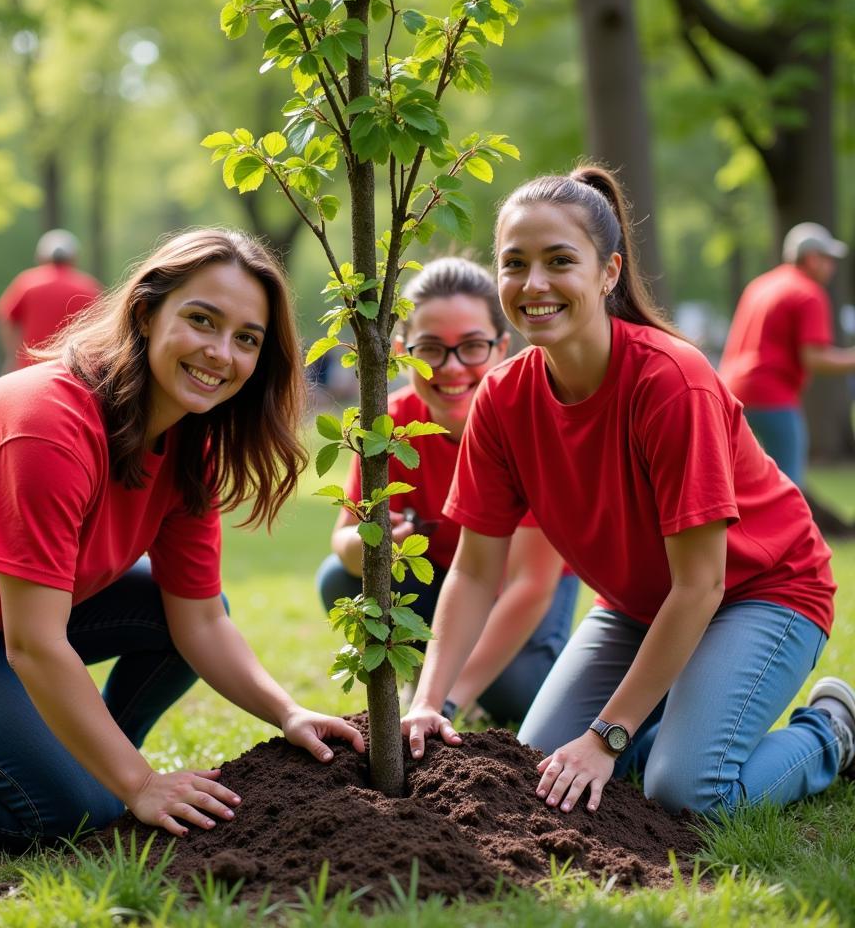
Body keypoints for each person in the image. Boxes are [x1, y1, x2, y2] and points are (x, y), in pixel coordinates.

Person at [0, 229, 363, 843]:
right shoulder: (47, 426)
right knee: (71, 814)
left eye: (247, 338)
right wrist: (136, 783)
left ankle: (90, 764)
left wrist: (288, 710)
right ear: (144, 312)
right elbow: (33, 643)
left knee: (177, 637)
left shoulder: (194, 442)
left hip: (5, 625)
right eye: (201, 320)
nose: (222, 352)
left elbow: (200, 623)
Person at [402, 166, 855, 819]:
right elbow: (475, 573)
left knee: (687, 793)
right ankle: (664, 728)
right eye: (514, 263)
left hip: (763, 591)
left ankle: (829, 733)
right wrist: (430, 701)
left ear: (608, 271)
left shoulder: (671, 381)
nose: (533, 284)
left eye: (560, 260)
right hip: (638, 606)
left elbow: (701, 585)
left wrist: (606, 735)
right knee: (539, 767)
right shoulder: (501, 399)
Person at [316, 257, 580, 725]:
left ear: (502, 347)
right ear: (401, 349)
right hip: (444, 582)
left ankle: (454, 683)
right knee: (339, 581)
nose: (452, 368)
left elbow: (529, 585)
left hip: (518, 594)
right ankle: (424, 671)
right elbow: (343, 544)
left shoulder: (531, 424)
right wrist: (375, 541)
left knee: (514, 694)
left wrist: (444, 701)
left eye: (473, 347)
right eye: (432, 349)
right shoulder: (390, 426)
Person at [719, 222, 854, 488]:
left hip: (730, 392)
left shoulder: (761, 284)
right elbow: (814, 358)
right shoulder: (808, 293)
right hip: (772, 397)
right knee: (788, 485)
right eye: (828, 259)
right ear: (812, 258)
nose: (832, 267)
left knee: (740, 484)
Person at [0, 229, 103, 371]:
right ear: (74, 258)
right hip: (74, 371)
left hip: (31, 369)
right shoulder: (89, 287)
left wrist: (12, 356)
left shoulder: (27, 283)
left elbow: (4, 320)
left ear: (41, 257)